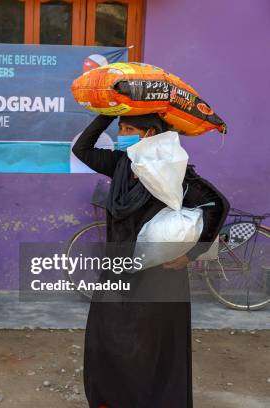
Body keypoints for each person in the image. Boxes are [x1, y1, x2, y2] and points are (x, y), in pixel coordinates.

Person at [72, 114, 230, 407]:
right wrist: (109, 110)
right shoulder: (122, 163)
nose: (122, 134)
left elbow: (218, 205)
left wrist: (190, 254)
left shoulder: (173, 172)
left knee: (147, 348)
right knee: (105, 339)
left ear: (151, 134)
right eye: (120, 128)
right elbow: (81, 149)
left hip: (159, 277)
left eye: (129, 129)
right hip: (118, 272)